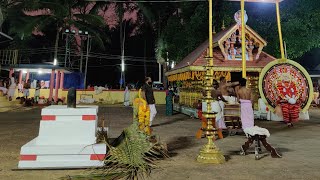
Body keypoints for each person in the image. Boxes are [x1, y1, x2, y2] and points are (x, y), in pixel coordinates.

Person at [238, 78, 281, 158]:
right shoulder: (249, 90)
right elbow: (252, 100)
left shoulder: (239, 91)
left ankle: (246, 142)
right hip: (249, 106)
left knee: (245, 120)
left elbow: (238, 100)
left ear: (240, 84)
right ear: (246, 83)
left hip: (243, 106)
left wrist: (242, 101)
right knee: (250, 120)